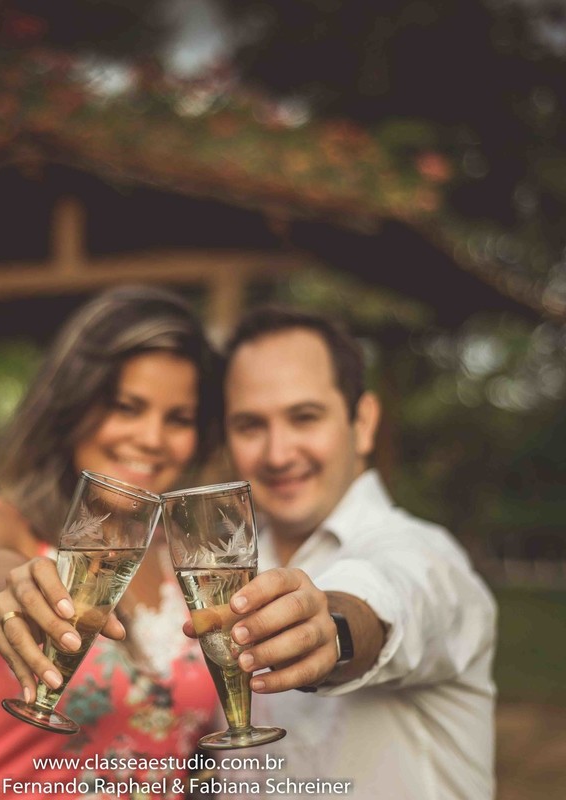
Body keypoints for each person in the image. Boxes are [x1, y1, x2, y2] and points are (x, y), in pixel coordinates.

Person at [0, 286, 221, 800]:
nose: (153, 437)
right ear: (71, 406)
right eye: (127, 407)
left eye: (179, 419)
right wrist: (5, 589)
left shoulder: (189, 572)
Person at [207, 306, 497, 800]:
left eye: (305, 417)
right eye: (251, 425)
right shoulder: (227, 566)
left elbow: (391, 598)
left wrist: (333, 630)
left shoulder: (426, 553)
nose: (278, 454)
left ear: (362, 422)